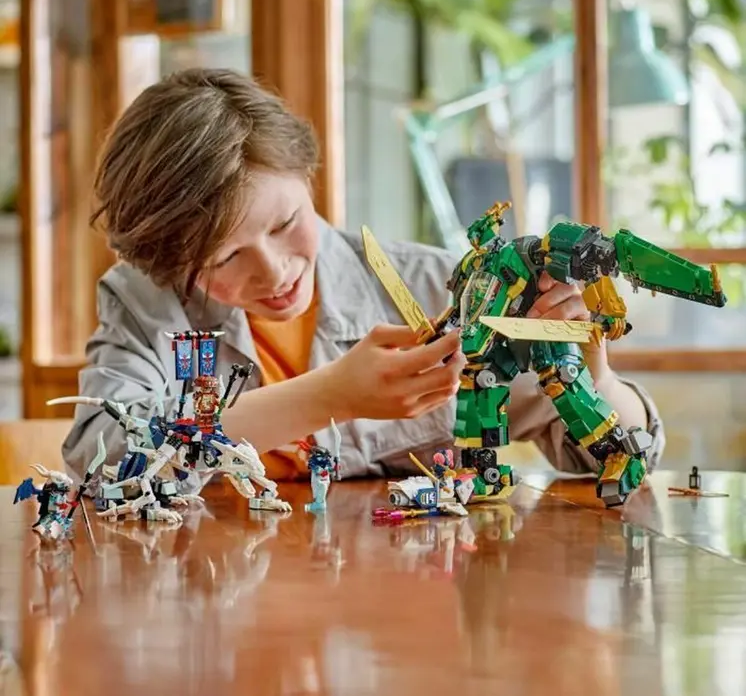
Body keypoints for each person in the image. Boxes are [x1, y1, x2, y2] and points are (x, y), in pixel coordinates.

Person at [60, 68, 665, 485]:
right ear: (169, 265)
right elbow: (99, 457)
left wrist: (593, 375)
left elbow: (618, 459)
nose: (274, 271)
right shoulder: (147, 305)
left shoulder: (442, 289)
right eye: (223, 259)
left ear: (307, 176)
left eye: (285, 223)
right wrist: (329, 396)